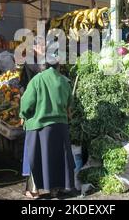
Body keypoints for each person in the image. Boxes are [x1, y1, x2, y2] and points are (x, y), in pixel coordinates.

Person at [19, 55, 75, 199]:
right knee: (57, 158)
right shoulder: (65, 81)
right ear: (59, 66)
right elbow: (70, 106)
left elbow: (26, 104)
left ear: (44, 65)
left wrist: (23, 115)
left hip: (38, 126)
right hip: (60, 127)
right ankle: (56, 188)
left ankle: (33, 191)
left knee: (35, 158)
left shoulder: (37, 80)